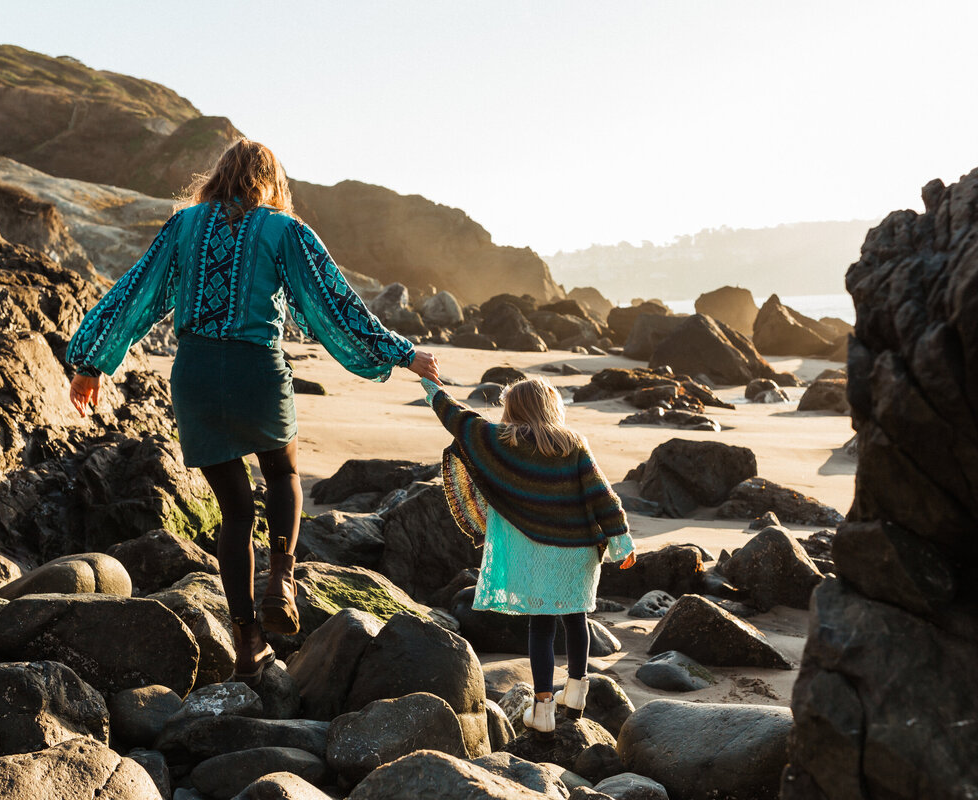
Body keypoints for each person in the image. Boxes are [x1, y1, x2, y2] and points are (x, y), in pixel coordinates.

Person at [65, 139, 441, 685]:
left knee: (235, 513)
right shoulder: (284, 231)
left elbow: (136, 293)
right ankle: (281, 581)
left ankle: (247, 642)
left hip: (195, 376)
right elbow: (335, 302)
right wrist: (403, 352)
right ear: (269, 180)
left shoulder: (183, 226)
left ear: (218, 176)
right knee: (284, 474)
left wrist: (90, 362)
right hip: (256, 371)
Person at [420, 375, 635, 734]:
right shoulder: (573, 443)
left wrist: (433, 390)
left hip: (536, 550)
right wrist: (622, 541)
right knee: (576, 618)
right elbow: (602, 494)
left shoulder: (500, 441)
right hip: (577, 550)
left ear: (513, 408)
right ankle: (578, 693)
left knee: (542, 626)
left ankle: (544, 709)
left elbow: (458, 419)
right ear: (551, 407)